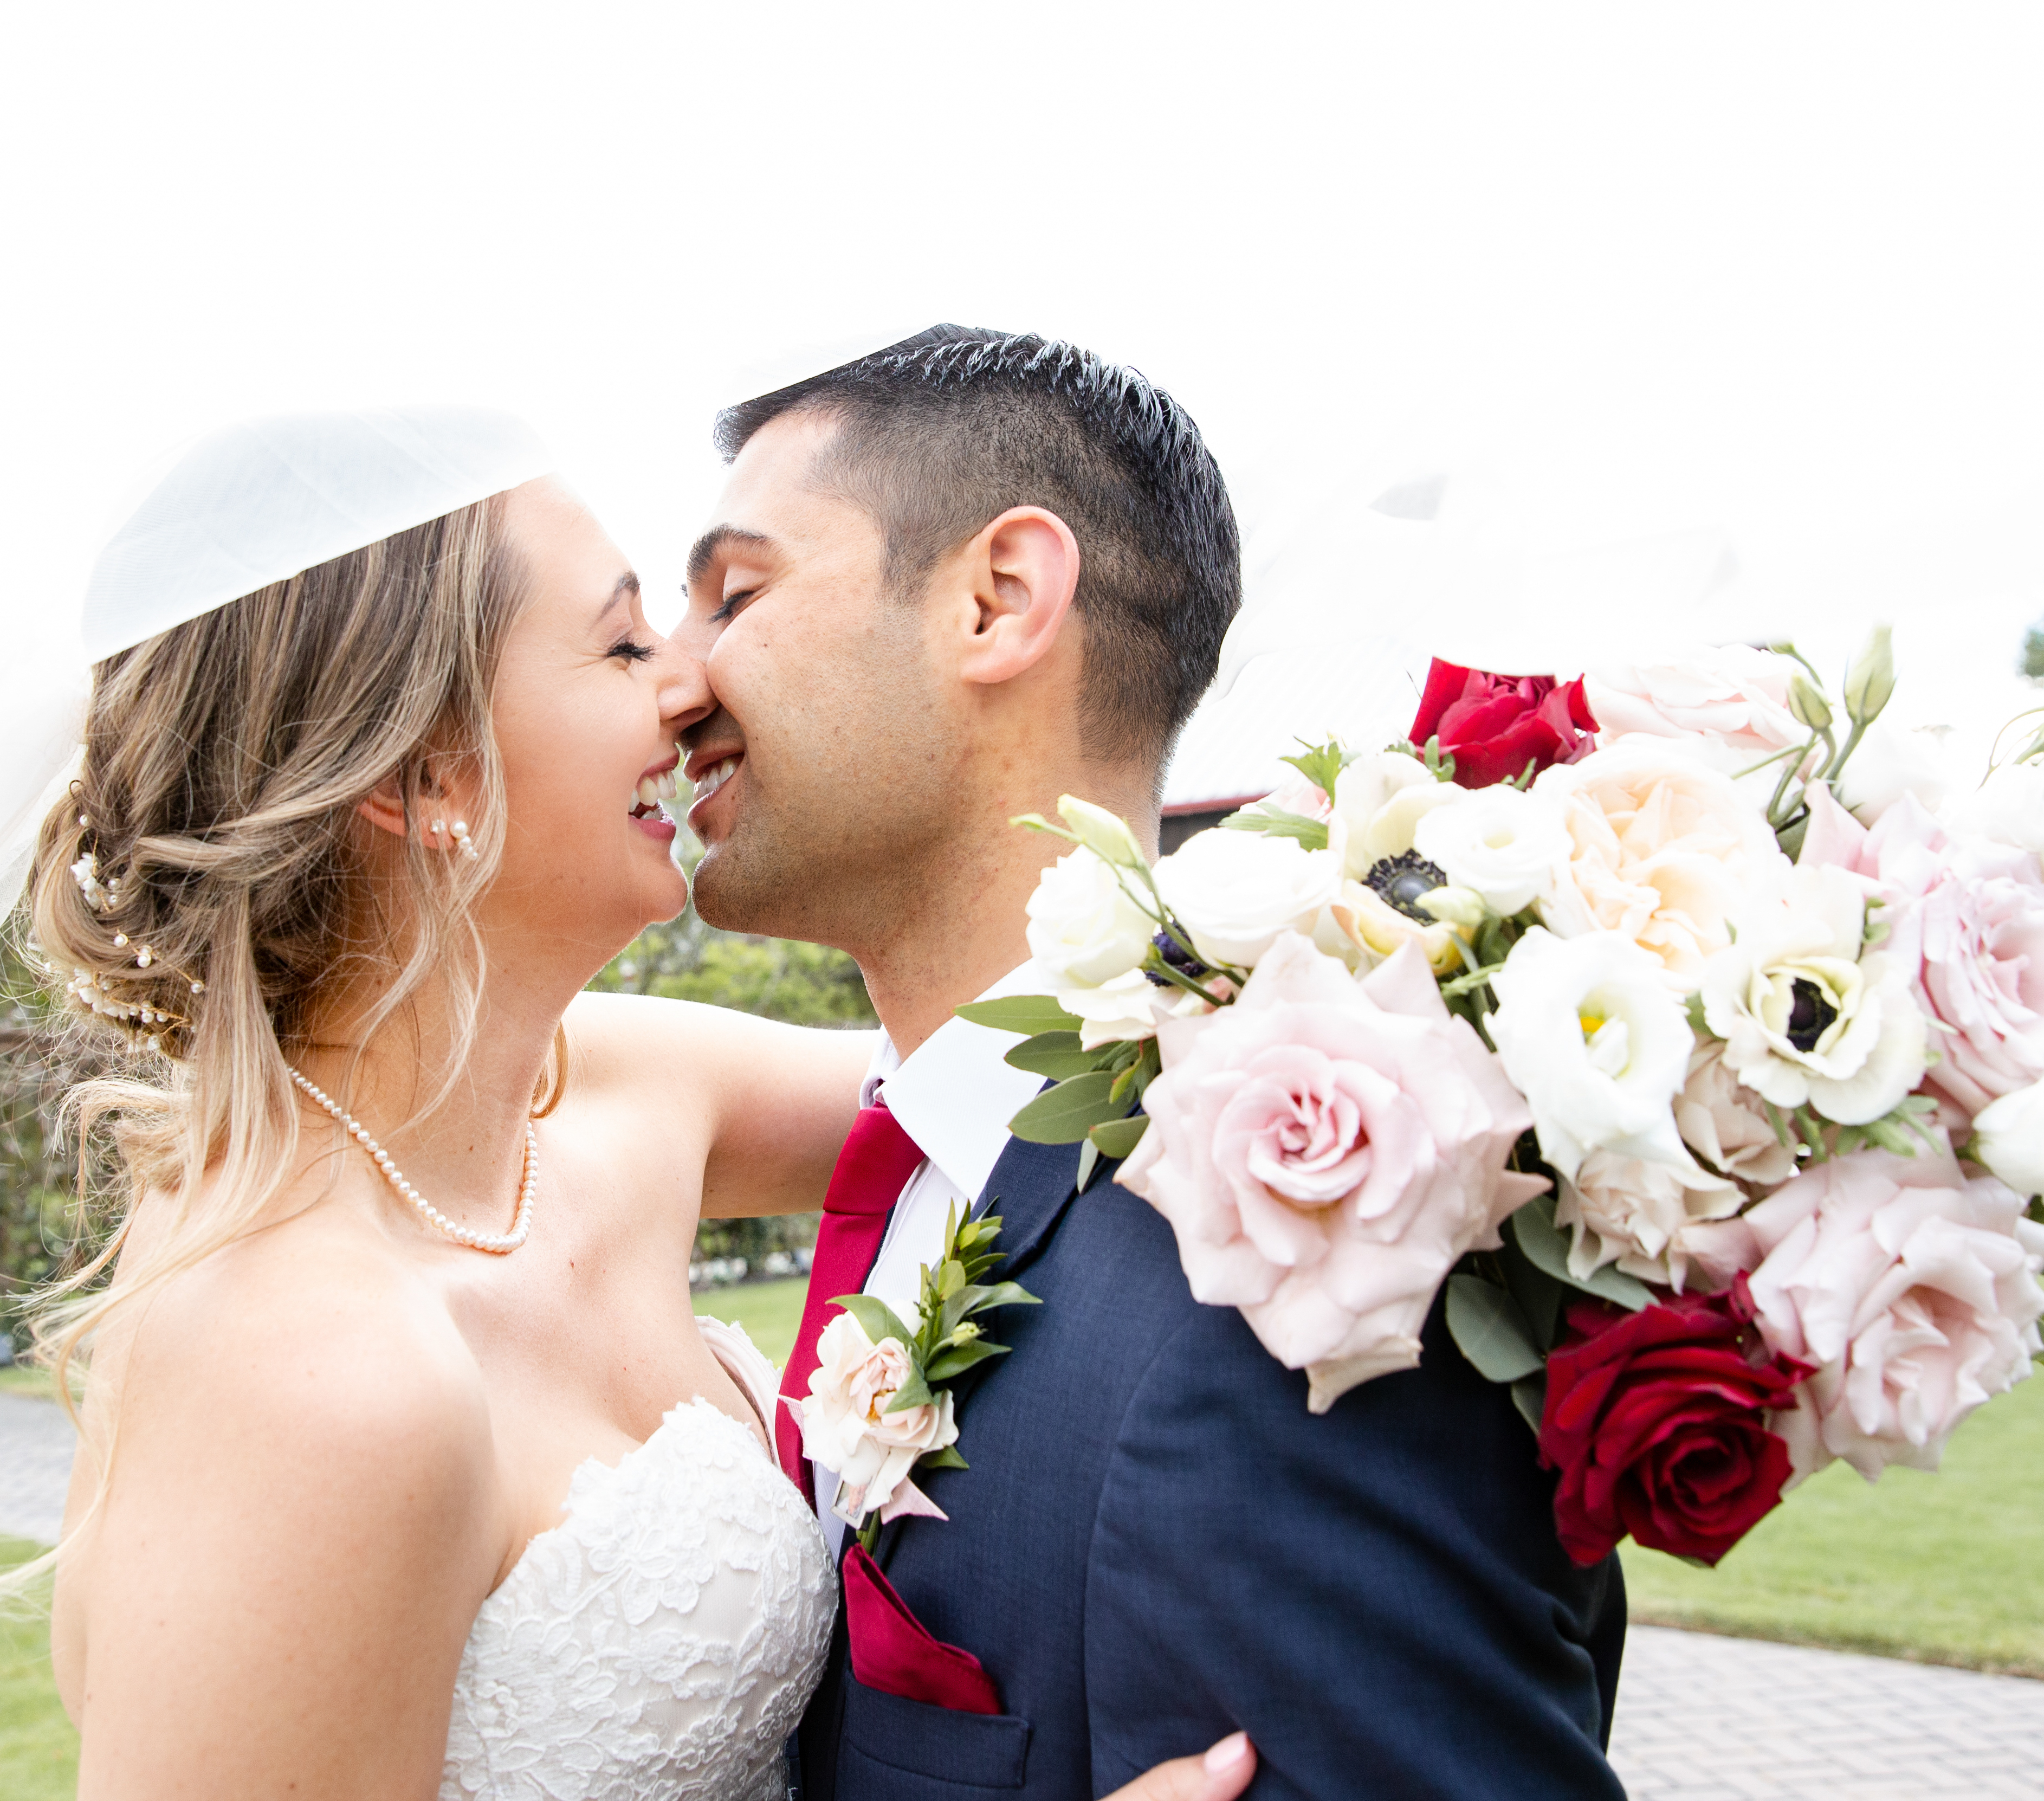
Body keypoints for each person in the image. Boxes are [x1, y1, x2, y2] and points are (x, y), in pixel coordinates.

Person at [0, 407, 1252, 1801]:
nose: (686, 688)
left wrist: (1449, 931)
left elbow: (1031, 1057)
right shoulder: (314, 1374)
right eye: (627, 644)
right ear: (429, 772)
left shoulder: (625, 1088)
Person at [670, 327, 1629, 1800]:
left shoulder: (1287, 1277)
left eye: (735, 594)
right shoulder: (934, 1146)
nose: (675, 684)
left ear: (997, 600)